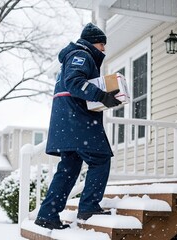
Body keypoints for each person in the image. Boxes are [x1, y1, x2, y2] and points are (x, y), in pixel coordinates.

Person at [34, 23, 121, 230]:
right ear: (92, 43)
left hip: (66, 122)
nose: (104, 50)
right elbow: (74, 82)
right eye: (102, 44)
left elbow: (73, 84)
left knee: (68, 169)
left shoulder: (73, 56)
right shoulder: (80, 55)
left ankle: (48, 215)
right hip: (77, 121)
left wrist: (102, 98)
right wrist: (101, 95)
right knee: (100, 159)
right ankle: (89, 207)